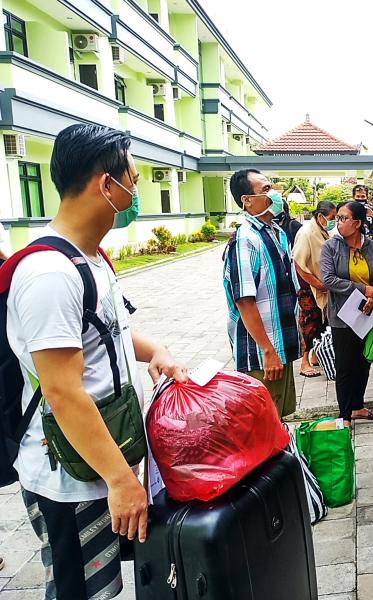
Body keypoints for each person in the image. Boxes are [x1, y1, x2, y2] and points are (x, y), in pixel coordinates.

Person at [7, 123, 186, 599]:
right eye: (133, 178)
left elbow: (114, 331)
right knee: (82, 592)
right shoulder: (49, 274)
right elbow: (63, 391)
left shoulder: (91, 259)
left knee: (104, 588)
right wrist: (120, 480)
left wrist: (159, 352)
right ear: (106, 185)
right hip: (72, 475)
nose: (136, 189)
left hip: (105, 462)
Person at [223, 169, 301, 419]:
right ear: (247, 200)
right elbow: (245, 302)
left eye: (272, 187)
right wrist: (268, 351)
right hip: (262, 356)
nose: (274, 194)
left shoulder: (276, 233)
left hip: (281, 347)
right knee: (263, 425)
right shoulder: (245, 240)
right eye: (265, 190)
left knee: (278, 419)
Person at [320, 201, 373, 423]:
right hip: (343, 315)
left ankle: (358, 406)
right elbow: (329, 279)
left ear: (358, 223)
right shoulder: (330, 247)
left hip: (367, 313)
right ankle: (345, 415)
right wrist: (362, 289)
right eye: (337, 218)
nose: (338, 223)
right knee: (345, 366)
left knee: (363, 362)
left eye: (343, 218)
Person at [293, 201, 338, 377]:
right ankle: (304, 363)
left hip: (323, 287)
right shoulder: (306, 233)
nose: (334, 221)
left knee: (321, 323)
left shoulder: (322, 231)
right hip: (309, 288)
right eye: (332, 218)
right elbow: (298, 263)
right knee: (309, 324)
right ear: (320, 216)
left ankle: (316, 356)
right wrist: (318, 284)